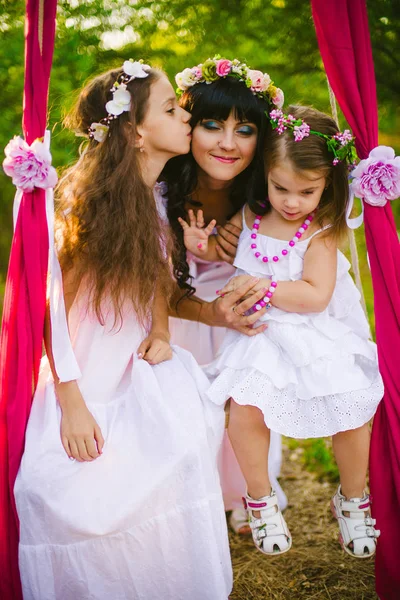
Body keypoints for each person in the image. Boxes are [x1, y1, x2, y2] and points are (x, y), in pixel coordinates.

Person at [14, 60, 232, 600]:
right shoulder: (86, 203)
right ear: (135, 132)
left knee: (171, 462)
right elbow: (51, 305)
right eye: (170, 108)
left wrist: (171, 327)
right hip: (85, 372)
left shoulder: (155, 200)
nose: (186, 116)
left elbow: (155, 284)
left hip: (138, 364)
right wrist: (71, 399)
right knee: (68, 497)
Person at [179, 105, 384, 558]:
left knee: (349, 410)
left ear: (327, 186)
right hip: (260, 334)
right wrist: (202, 246)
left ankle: (353, 500)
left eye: (307, 192)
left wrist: (267, 285)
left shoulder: (321, 231)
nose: (292, 202)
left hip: (313, 333)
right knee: (246, 408)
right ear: (265, 176)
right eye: (280, 188)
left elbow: (315, 296)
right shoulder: (252, 215)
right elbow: (223, 252)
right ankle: (260, 500)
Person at [162, 57, 288, 534]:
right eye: (212, 125)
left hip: (242, 295)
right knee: (188, 394)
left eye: (245, 130)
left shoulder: (267, 188)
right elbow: (158, 281)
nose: (227, 144)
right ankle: (193, 493)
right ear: (188, 128)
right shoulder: (163, 183)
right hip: (179, 299)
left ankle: (247, 493)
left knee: (247, 391)